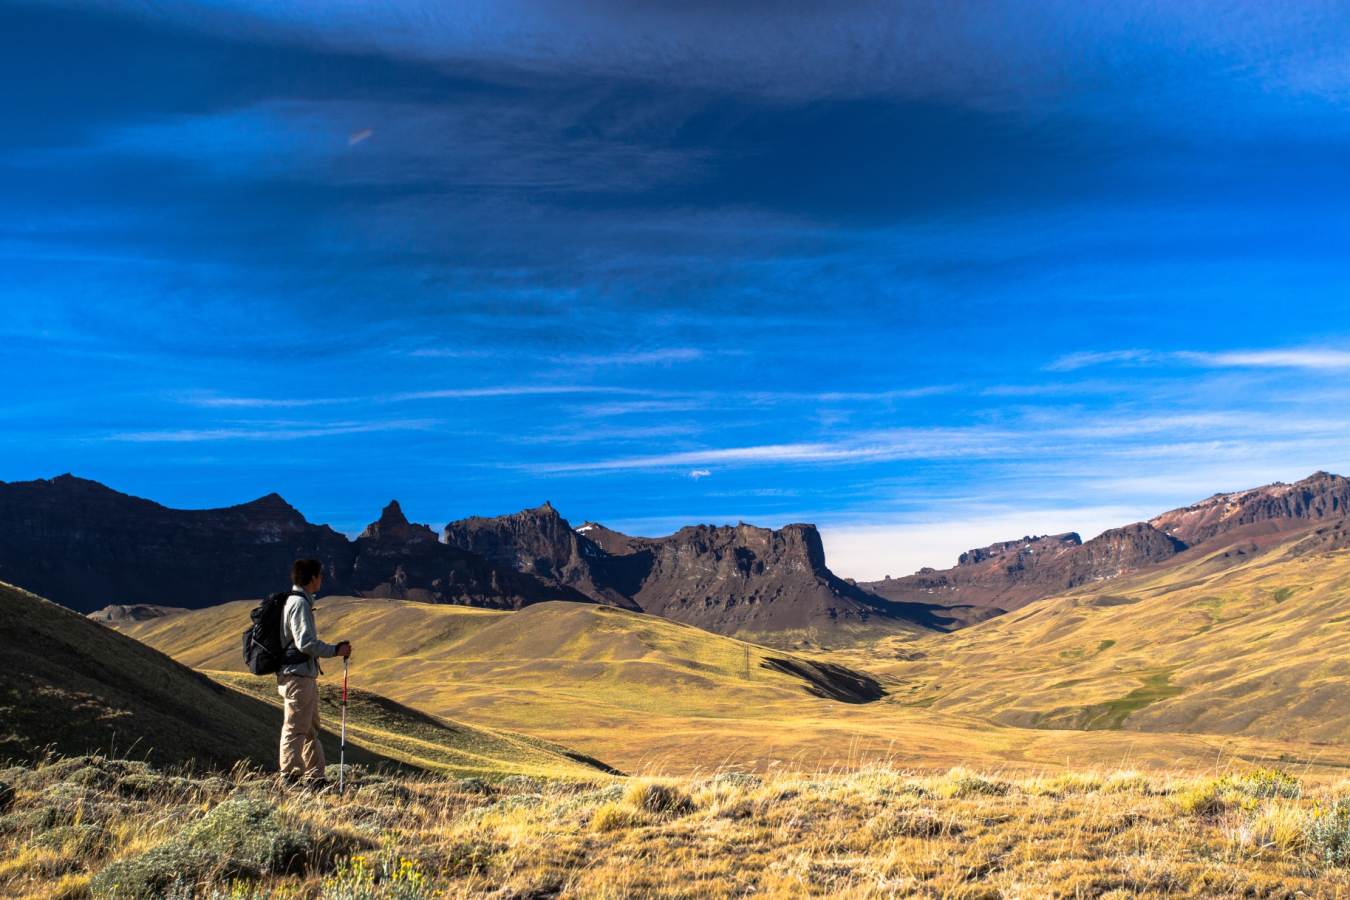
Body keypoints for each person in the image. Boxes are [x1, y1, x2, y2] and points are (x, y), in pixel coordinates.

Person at [277, 558, 351, 785]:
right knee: (296, 726)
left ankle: (316, 776)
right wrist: (335, 650)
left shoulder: (298, 601)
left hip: (300, 674)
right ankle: (290, 776)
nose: (322, 579)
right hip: (298, 676)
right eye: (320, 575)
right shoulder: (299, 604)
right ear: (312, 578)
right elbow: (305, 643)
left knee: (309, 727)